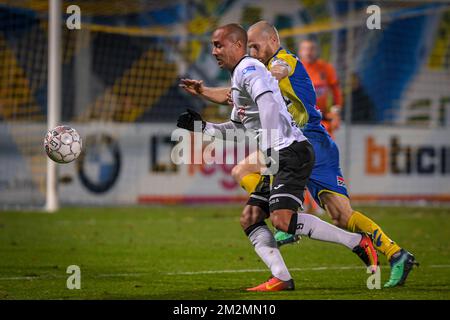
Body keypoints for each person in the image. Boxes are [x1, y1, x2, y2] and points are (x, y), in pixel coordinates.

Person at [180, 21, 418, 288]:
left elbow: (273, 74)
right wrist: (203, 94)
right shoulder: (251, 72)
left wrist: (262, 76)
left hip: (309, 140)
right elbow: (235, 97)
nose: (254, 51)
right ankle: (394, 252)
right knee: (337, 215)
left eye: (256, 46)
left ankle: (289, 214)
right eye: (250, 48)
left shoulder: (283, 60)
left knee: (332, 212)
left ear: (272, 40)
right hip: (294, 142)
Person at [298, 39, 342, 139]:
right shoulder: (293, 69)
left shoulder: (326, 68)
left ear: (317, 51)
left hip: (322, 118)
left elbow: (336, 91)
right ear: (300, 52)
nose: (308, 52)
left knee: (326, 148)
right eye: (305, 49)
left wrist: (336, 113)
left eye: (311, 49)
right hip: (300, 119)